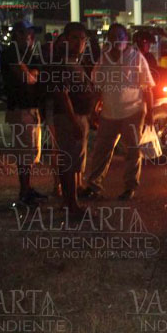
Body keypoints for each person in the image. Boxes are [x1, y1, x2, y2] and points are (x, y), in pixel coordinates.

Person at [82, 24, 154, 201]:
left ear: (126, 38)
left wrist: (150, 112)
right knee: (101, 151)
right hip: (109, 113)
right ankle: (94, 186)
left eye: (120, 36)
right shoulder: (104, 60)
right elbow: (97, 88)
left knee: (133, 152)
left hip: (133, 112)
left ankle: (130, 187)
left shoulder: (136, 58)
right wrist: (93, 110)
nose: (116, 40)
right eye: (113, 36)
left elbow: (147, 88)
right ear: (108, 39)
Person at [40, 22, 95, 213]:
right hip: (68, 118)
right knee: (69, 162)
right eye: (74, 38)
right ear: (64, 39)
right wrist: (74, 121)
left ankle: (69, 202)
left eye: (82, 39)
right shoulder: (61, 62)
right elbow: (62, 94)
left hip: (78, 117)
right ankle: (72, 204)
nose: (78, 43)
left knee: (70, 161)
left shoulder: (76, 62)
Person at [1, 22, 45, 206]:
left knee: (32, 151)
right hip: (19, 109)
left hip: (32, 109)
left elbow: (37, 74)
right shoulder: (11, 53)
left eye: (31, 34)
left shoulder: (29, 54)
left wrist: (32, 72)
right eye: (26, 33)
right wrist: (32, 73)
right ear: (17, 35)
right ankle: (24, 192)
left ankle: (27, 189)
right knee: (24, 153)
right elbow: (26, 77)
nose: (30, 37)